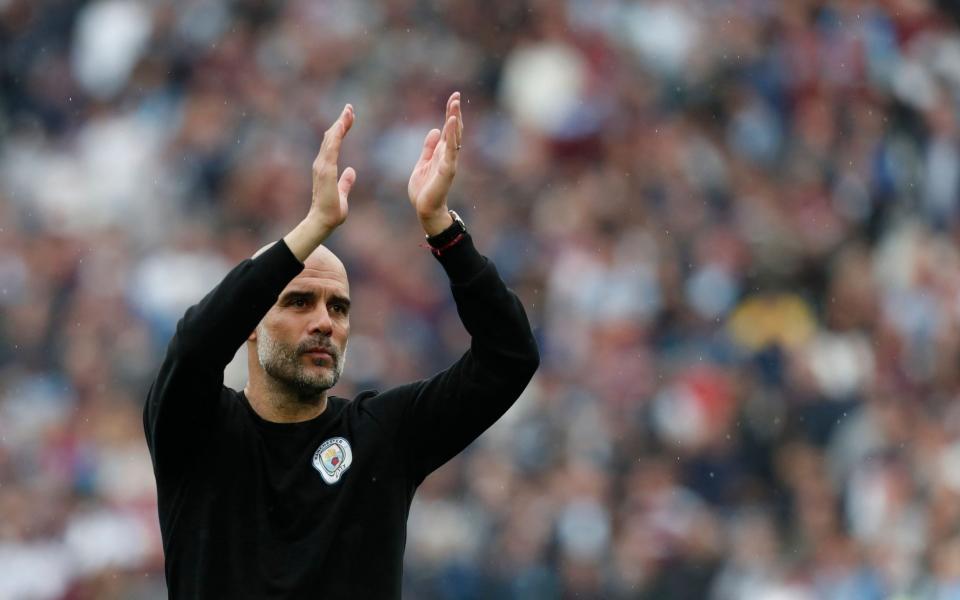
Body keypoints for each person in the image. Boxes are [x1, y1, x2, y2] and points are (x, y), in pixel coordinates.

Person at [142, 92, 540, 598]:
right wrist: (311, 230)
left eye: (339, 308)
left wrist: (443, 231)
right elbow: (194, 348)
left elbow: (510, 358)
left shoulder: (383, 436)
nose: (324, 323)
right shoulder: (194, 431)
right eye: (298, 301)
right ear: (250, 323)